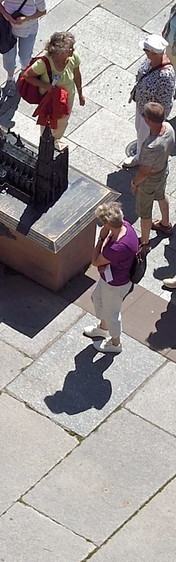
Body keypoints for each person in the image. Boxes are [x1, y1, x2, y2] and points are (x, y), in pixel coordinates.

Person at [86, 198, 138, 354]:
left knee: (112, 314)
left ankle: (115, 344)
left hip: (116, 284)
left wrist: (101, 238)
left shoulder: (116, 248)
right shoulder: (126, 227)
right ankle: (103, 328)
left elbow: (95, 261)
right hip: (111, 277)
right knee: (97, 298)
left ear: (107, 225)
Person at [18, 28, 85, 139]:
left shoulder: (73, 56)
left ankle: (57, 139)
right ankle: (46, 142)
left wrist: (80, 93)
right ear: (60, 51)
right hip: (49, 98)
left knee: (63, 119)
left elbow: (77, 74)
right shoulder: (43, 63)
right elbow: (27, 76)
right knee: (47, 120)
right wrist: (45, 86)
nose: (73, 49)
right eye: (70, 48)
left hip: (67, 96)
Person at [130, 101, 172, 251]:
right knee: (161, 196)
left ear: (148, 120)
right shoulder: (169, 128)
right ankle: (165, 225)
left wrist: (135, 183)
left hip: (149, 181)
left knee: (145, 212)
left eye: (144, 115)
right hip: (163, 171)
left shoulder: (150, 146)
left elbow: (144, 172)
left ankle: (145, 242)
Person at [131, 32, 175, 152]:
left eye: (146, 50)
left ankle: (141, 157)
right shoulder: (149, 61)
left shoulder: (166, 76)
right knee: (139, 130)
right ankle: (140, 151)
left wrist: (155, 121)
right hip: (141, 106)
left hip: (151, 116)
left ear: (154, 53)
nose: (144, 52)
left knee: (144, 137)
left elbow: (165, 103)